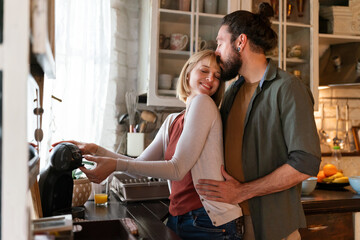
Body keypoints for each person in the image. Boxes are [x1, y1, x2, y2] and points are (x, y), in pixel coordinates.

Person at [54, 50, 243, 240]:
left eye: (217, 76)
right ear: (188, 74)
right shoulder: (172, 121)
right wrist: (95, 149)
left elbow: (177, 169)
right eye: (204, 71)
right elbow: (138, 168)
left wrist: (115, 166)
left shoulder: (204, 103)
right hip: (182, 218)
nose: (211, 78)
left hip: (208, 222)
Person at [196, 3, 321, 240]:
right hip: (231, 223)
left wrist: (242, 192)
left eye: (220, 42)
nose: (216, 52)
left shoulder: (288, 88)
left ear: (240, 42)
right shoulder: (233, 90)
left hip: (273, 228)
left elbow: (305, 163)